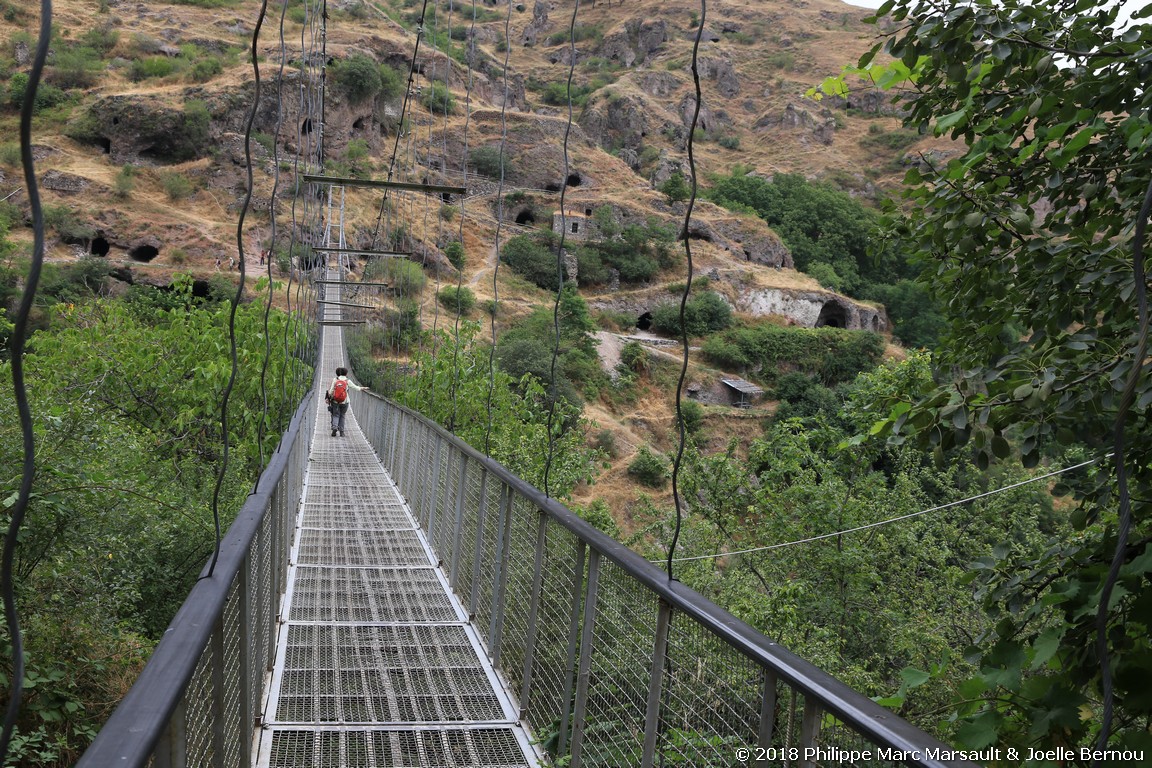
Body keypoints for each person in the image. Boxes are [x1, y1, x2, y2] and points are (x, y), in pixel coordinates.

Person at [325, 366, 368, 437]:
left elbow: (330, 391)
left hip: (335, 401)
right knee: (342, 415)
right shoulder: (347, 381)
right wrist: (363, 388)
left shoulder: (335, 380)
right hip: (345, 401)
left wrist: (329, 397)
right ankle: (342, 432)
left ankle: (335, 427)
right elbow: (356, 388)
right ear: (346, 373)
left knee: (336, 415)